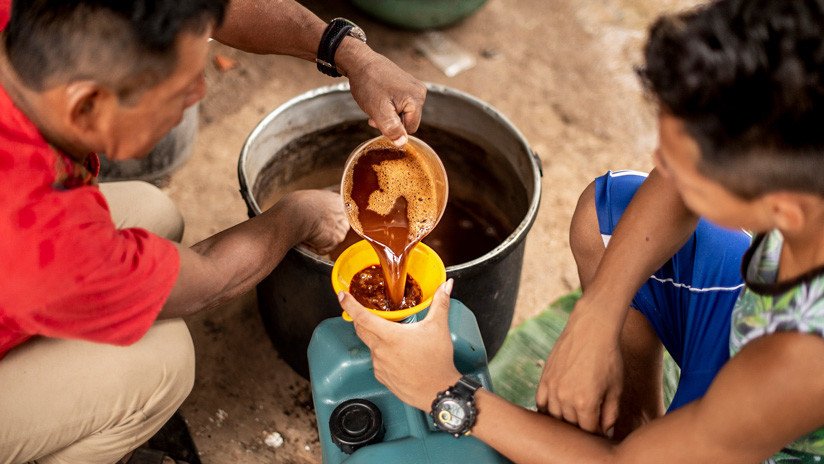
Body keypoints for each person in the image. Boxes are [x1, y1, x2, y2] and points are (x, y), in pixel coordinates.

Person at [339, 0, 824, 461]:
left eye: (682, 166)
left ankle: (663, 432)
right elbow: (667, 191)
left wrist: (442, 390)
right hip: (755, 312)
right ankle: (639, 416)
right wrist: (597, 315)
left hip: (772, 426)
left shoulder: (800, 363)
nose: (659, 166)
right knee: (606, 216)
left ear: (782, 209)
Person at [0, 0, 426, 463]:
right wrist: (297, 214)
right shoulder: (41, 230)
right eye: (180, 88)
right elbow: (204, 280)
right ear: (87, 105)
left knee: (152, 211)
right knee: (163, 363)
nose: (200, 92)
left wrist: (351, 54)